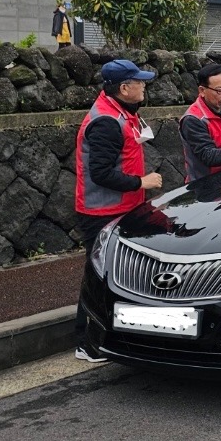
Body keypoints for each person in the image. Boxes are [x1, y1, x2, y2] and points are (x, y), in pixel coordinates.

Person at [73, 59, 164, 363]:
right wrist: (142, 181)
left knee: (116, 275)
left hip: (122, 208)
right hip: (102, 213)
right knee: (100, 277)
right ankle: (87, 344)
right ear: (124, 88)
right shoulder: (106, 122)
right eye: (139, 82)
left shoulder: (120, 113)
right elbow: (100, 173)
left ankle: (106, 338)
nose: (144, 86)